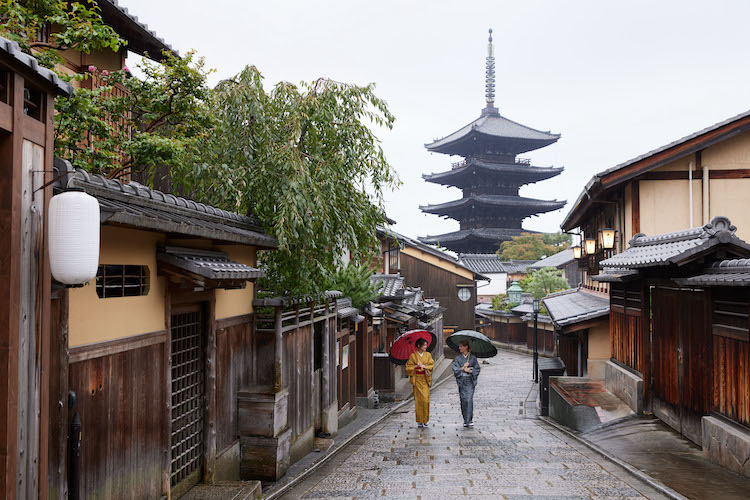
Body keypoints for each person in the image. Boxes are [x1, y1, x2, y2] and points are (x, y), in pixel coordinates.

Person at [405, 338, 434, 428]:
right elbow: (407, 368)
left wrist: (424, 367)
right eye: (424, 345)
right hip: (417, 379)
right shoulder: (413, 356)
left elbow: (431, 365)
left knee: (426, 400)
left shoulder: (428, 355)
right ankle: (419, 420)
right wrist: (415, 366)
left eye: (426, 345)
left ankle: (425, 420)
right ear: (419, 346)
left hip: (425, 379)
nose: (426, 346)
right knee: (418, 400)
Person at [452, 340, 480, 427]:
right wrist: (462, 368)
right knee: (463, 400)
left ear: (466, 347)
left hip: (470, 381)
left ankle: (469, 420)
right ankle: (465, 419)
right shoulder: (458, 358)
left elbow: (477, 369)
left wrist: (470, 370)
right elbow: (455, 369)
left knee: (469, 399)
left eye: (461, 346)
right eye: (459, 346)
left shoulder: (473, 358)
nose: (459, 348)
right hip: (462, 381)